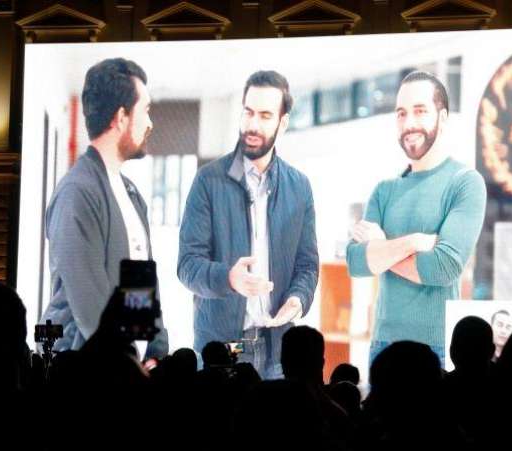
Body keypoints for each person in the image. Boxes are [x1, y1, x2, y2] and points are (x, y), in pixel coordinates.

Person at [177, 70, 318, 379]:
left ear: (283, 123)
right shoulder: (208, 181)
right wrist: (228, 278)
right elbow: (187, 266)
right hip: (222, 350)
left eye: (265, 115)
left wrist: (298, 299)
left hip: (279, 351)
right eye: (248, 112)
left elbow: (307, 265)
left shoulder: (300, 187)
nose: (253, 124)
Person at [346, 70, 487, 366]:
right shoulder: (385, 190)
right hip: (382, 345)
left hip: (436, 346)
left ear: (443, 117)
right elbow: (356, 263)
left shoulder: (465, 182)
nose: (409, 123)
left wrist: (382, 248)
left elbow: (443, 267)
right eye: (401, 113)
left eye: (420, 111)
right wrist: (413, 242)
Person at [41, 57, 168, 364]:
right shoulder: (77, 193)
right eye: (145, 110)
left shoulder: (131, 195)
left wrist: (154, 353)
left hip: (125, 374)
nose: (150, 123)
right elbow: (91, 309)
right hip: (88, 376)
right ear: (121, 117)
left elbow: (139, 287)